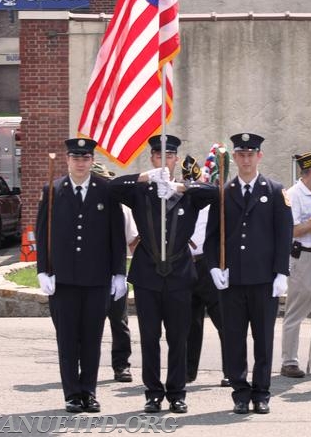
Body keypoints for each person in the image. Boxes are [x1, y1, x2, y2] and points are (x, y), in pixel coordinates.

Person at [110, 134, 219, 414]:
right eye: (158, 157)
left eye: (169, 156)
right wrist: (146, 177)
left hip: (180, 274)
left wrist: (181, 187)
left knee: (178, 337)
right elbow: (112, 187)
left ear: (176, 159)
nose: (164, 160)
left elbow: (214, 192)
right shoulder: (141, 192)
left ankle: (177, 392)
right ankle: (153, 393)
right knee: (149, 337)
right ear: (153, 159)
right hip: (148, 274)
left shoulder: (188, 194)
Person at [36, 138, 127, 413]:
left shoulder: (106, 190)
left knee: (92, 338)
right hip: (63, 280)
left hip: (96, 280)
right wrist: (43, 270)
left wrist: (119, 273)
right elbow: (43, 235)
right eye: (75, 157)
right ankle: (72, 394)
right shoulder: (53, 190)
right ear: (67, 159)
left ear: (92, 161)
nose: (80, 162)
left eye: (85, 158)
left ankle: (89, 391)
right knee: (67, 339)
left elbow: (116, 236)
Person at [205, 132, 293, 415]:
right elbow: (211, 238)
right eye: (240, 154)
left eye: (250, 154)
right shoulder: (224, 193)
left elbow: (283, 235)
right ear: (234, 157)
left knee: (263, 338)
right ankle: (240, 392)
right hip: (233, 281)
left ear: (259, 156)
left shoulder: (275, 190)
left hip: (264, 280)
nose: (245, 159)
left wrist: (282, 272)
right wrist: (213, 267)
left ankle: (262, 392)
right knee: (234, 338)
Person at [181, 154, 229, 387]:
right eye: (187, 183)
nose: (191, 189)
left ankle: (231, 370)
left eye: (194, 184)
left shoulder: (212, 202)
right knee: (190, 323)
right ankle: (188, 372)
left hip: (207, 264)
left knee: (224, 320)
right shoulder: (179, 202)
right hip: (185, 265)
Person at [281, 149, 311, 378]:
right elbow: (292, 230)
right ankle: (289, 361)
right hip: (303, 256)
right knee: (298, 309)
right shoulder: (294, 194)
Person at [91, 160, 138, 384]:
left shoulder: (121, 208)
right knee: (88, 325)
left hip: (114, 274)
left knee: (119, 323)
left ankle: (122, 366)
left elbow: (133, 242)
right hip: (89, 276)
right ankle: (85, 366)